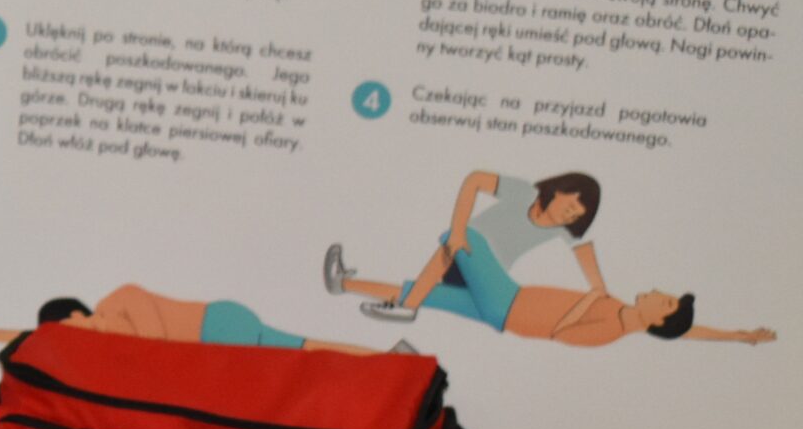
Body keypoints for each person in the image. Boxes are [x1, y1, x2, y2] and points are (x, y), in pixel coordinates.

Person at [325, 170, 605, 327]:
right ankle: (343, 284)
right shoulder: (525, 194)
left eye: (575, 216)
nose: (568, 216)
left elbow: (583, 249)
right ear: (559, 191)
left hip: (485, 279)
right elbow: (475, 179)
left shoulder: (561, 230)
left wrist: (597, 287)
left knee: (465, 237)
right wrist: (457, 230)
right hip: (464, 272)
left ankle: (409, 306)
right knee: (425, 291)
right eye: (570, 206)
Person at [0, 288, 389, 355]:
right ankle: (385, 359)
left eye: (65, 331)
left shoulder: (119, 300)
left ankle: (384, 360)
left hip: (219, 326)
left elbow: (152, 343)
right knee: (304, 350)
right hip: (212, 337)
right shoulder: (103, 334)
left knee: (301, 350)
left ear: (76, 315)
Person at [499, 285, 776, 347]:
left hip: (506, 308)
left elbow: (560, 333)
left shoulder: (610, 329)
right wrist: (739, 336)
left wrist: (590, 299)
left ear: (657, 321)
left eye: (666, 301)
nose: (657, 291)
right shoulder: (619, 309)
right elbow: (688, 331)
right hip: (512, 294)